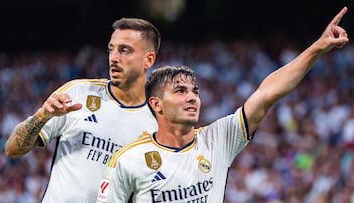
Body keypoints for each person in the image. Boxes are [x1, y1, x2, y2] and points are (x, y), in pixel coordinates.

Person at [96, 7, 349, 202]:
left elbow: (266, 93)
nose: (192, 97)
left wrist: (316, 48)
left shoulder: (218, 139)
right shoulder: (128, 160)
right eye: (180, 91)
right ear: (157, 104)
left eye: (195, 91)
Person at [4, 17, 161, 203]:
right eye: (111, 49)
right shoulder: (78, 92)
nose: (114, 58)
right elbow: (13, 149)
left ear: (148, 59)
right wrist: (41, 117)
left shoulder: (157, 124)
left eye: (125, 50)